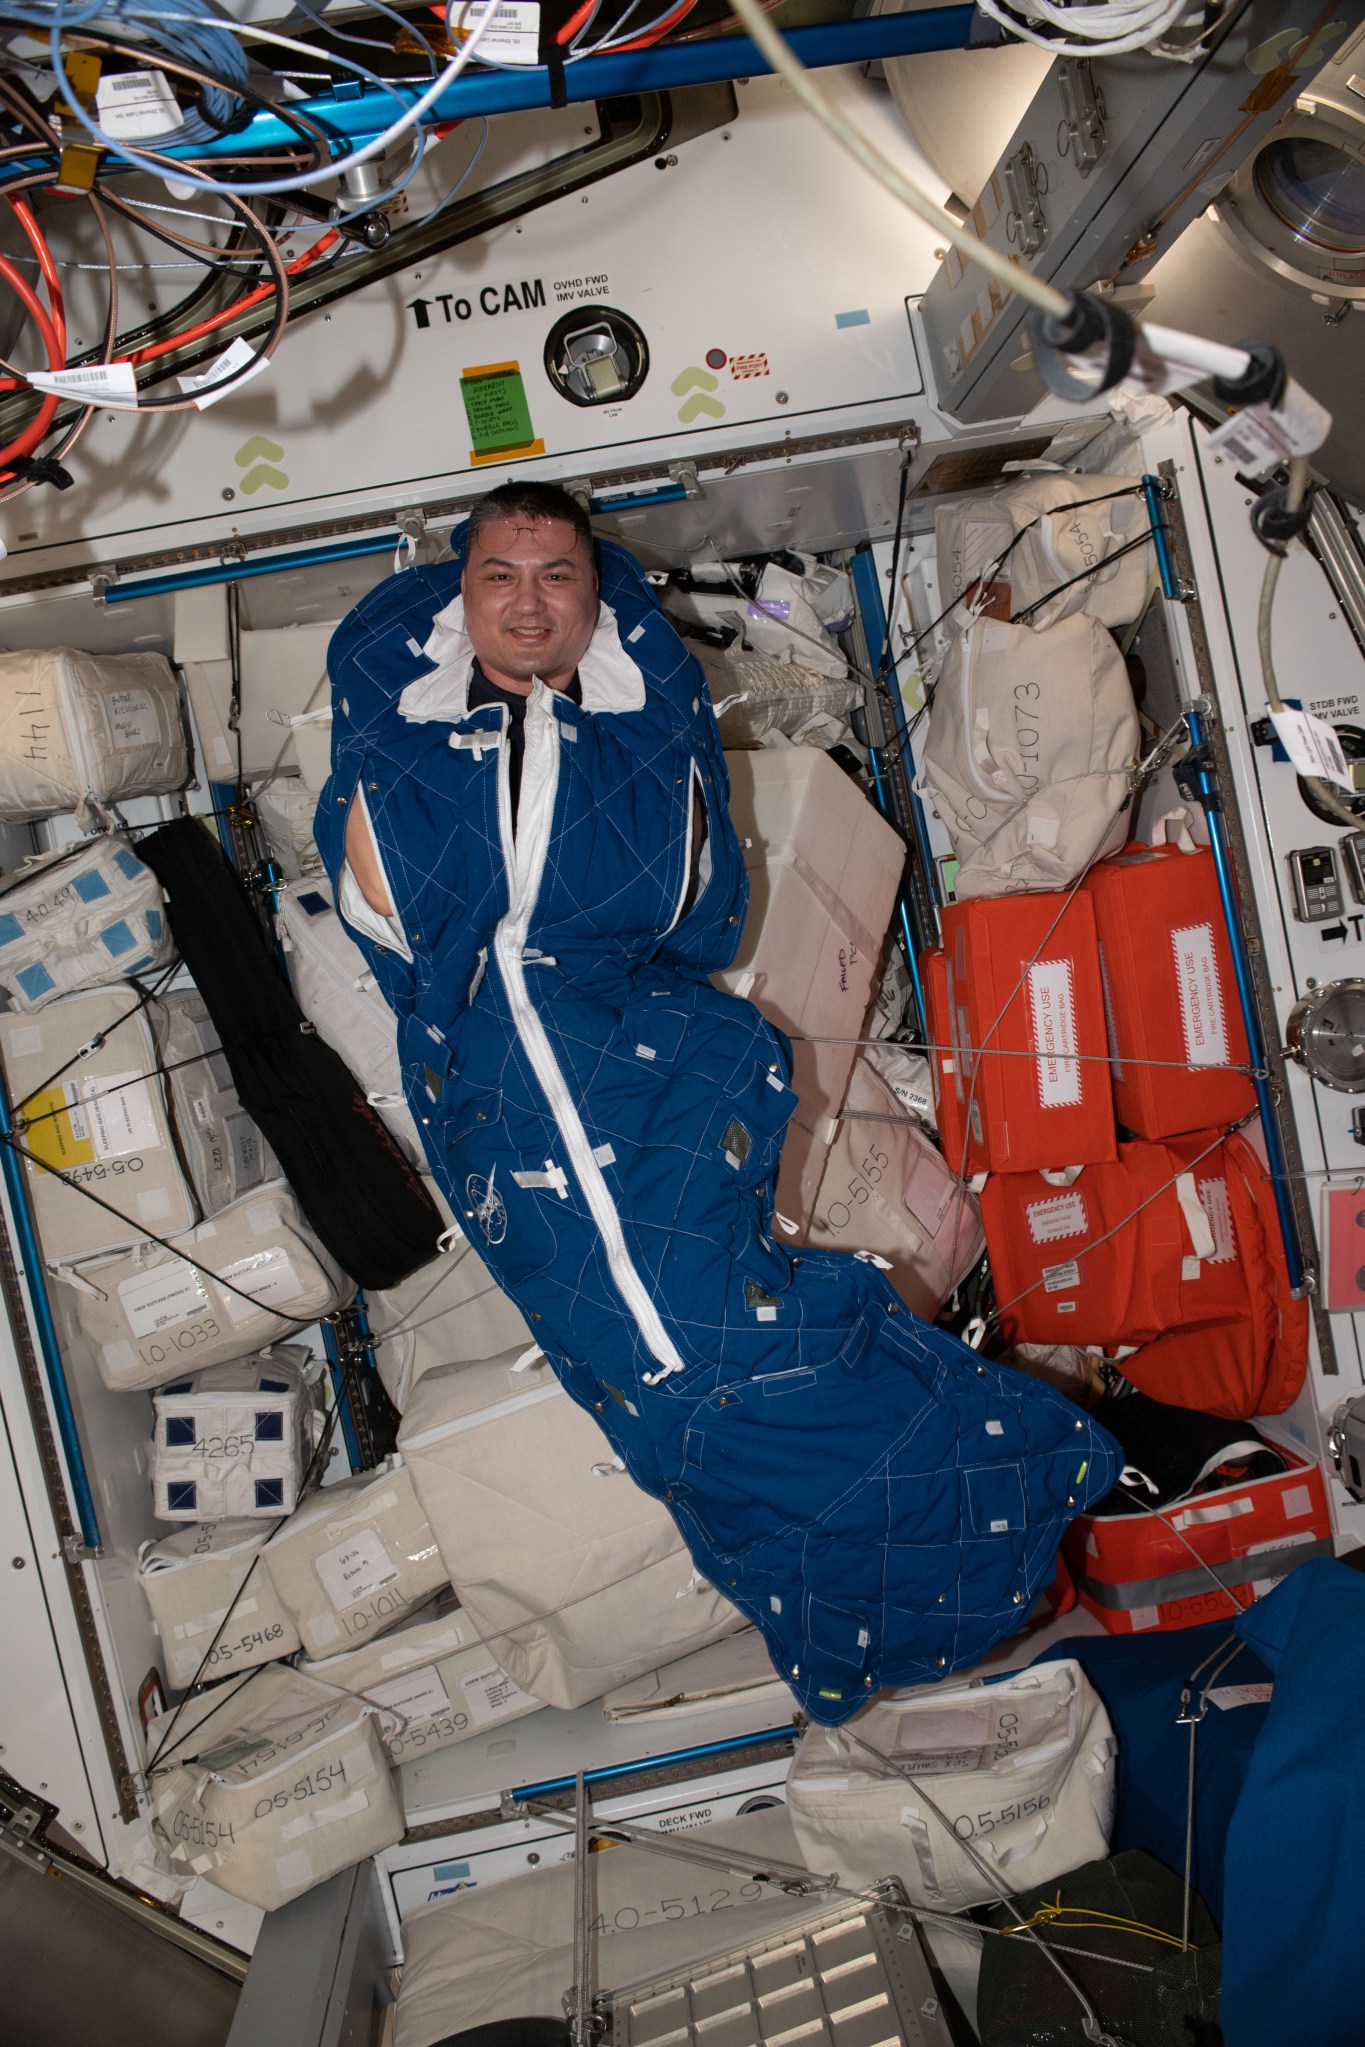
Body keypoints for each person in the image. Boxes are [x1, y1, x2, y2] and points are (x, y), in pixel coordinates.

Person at [318, 479, 1118, 1727]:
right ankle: (938, 1556)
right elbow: (398, 889)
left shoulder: (640, 742)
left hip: (640, 1068)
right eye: (497, 576)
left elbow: (698, 912)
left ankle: (932, 1563)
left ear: (594, 600)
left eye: (558, 577)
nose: (528, 602)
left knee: (699, 1377)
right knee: (694, 1373)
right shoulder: (413, 735)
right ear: (457, 593)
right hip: (508, 1086)